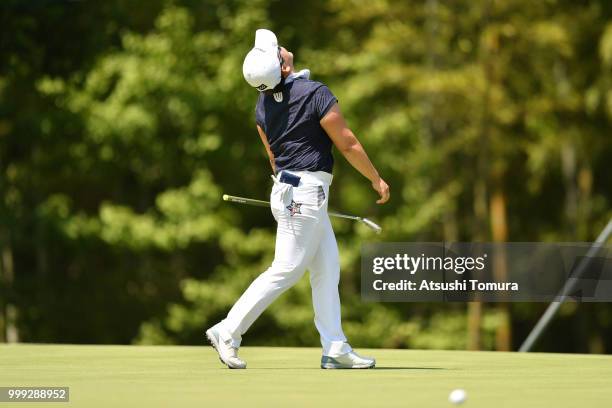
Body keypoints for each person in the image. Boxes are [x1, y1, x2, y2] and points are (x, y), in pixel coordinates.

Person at [206, 29, 390, 369]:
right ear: (284, 66)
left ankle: (335, 347)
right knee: (287, 269)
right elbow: (347, 143)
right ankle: (228, 331)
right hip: (305, 194)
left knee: (326, 268)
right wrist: (375, 178)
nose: (282, 48)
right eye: (278, 50)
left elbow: (274, 159)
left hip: (291, 190)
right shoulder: (316, 93)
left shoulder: (262, 105)